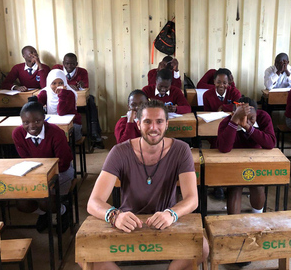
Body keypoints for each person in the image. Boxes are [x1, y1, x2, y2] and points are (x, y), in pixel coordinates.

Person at [86, 100, 208, 270]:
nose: (153, 128)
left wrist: (171, 214)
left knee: (202, 247)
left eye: (159, 121)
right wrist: (115, 216)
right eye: (147, 122)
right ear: (138, 124)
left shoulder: (181, 150)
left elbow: (192, 199)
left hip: (165, 222)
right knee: (86, 254)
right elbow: (93, 202)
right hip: (129, 224)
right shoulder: (120, 151)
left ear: (167, 124)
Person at [12, 98, 74, 232]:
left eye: (37, 121)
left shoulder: (56, 133)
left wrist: (45, 179)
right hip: (34, 173)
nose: (32, 126)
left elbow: (63, 162)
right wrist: (38, 178)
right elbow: (26, 160)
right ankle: (43, 214)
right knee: (22, 204)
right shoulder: (18, 134)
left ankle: (63, 211)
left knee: (45, 199)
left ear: (44, 118)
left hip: (60, 172)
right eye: (26, 122)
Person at [216, 97, 276, 217]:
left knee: (258, 186)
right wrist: (234, 121)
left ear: (257, 114)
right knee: (235, 187)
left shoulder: (263, 117)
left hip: (256, 160)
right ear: (234, 114)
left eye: (251, 119)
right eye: (242, 117)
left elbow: (271, 143)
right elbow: (224, 148)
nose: (247, 121)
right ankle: (234, 222)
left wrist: (248, 127)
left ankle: (257, 217)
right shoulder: (227, 122)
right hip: (233, 162)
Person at [53, 53, 103, 147]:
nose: (69, 66)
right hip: (62, 100)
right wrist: (67, 87)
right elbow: (52, 81)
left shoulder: (82, 72)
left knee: (91, 100)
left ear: (76, 64)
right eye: (67, 63)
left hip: (76, 99)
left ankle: (94, 132)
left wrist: (81, 86)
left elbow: (86, 88)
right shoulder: (57, 69)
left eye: (72, 64)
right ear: (63, 63)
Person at [37, 69, 83, 141]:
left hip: (72, 124)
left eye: (61, 83)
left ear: (65, 83)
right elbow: (36, 106)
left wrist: (62, 94)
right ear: (49, 84)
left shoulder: (70, 94)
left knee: (59, 138)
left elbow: (61, 112)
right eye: (54, 83)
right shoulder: (46, 92)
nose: (57, 86)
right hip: (54, 123)